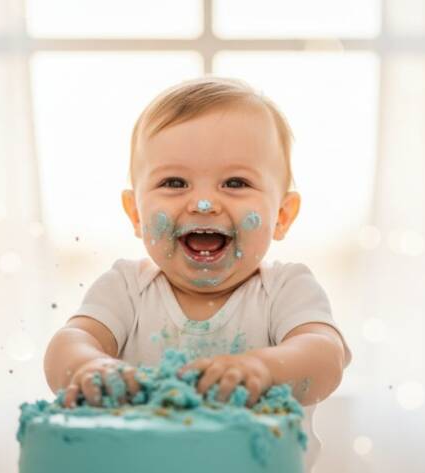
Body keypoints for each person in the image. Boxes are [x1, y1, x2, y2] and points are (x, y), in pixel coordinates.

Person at [43, 76, 351, 472]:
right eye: (174, 182)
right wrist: (88, 367)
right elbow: (71, 341)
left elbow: (326, 359)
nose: (203, 203)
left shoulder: (285, 290)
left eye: (235, 183)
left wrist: (263, 368)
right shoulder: (127, 288)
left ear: (283, 215)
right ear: (135, 213)